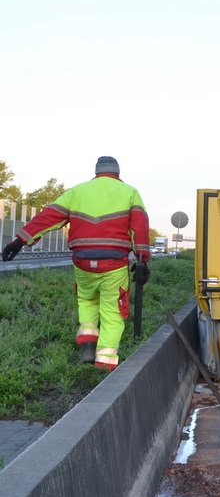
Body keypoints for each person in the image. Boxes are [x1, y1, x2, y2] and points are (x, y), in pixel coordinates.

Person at [1, 156, 150, 371]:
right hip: (114, 264)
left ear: (96, 172)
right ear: (118, 173)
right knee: (112, 311)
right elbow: (139, 228)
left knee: (87, 301)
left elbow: (48, 217)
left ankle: (88, 344)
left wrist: (20, 240)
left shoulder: (77, 192)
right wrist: (143, 259)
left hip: (82, 262)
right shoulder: (130, 193)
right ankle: (104, 362)